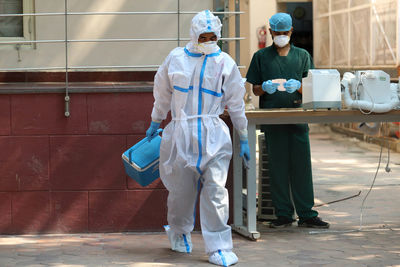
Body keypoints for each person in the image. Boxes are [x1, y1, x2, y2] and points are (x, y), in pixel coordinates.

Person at [145, 10, 250, 267]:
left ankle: (219, 247)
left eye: (213, 36)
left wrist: (244, 135)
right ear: (194, 35)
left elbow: (236, 103)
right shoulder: (176, 59)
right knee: (181, 191)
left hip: (214, 134)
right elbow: (162, 93)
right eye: (203, 36)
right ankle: (179, 232)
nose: (208, 40)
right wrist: (155, 120)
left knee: (216, 190)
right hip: (181, 134)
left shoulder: (225, 62)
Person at [246, 13, 329, 229]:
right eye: (278, 32)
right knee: (277, 167)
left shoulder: (302, 56)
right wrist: (263, 88)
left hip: (298, 116)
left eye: (285, 32)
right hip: (272, 117)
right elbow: (254, 88)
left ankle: (307, 214)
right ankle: (283, 214)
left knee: (301, 167)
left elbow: (312, 86)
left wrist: (299, 86)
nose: (281, 36)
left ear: (291, 32)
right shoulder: (261, 57)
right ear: (271, 32)